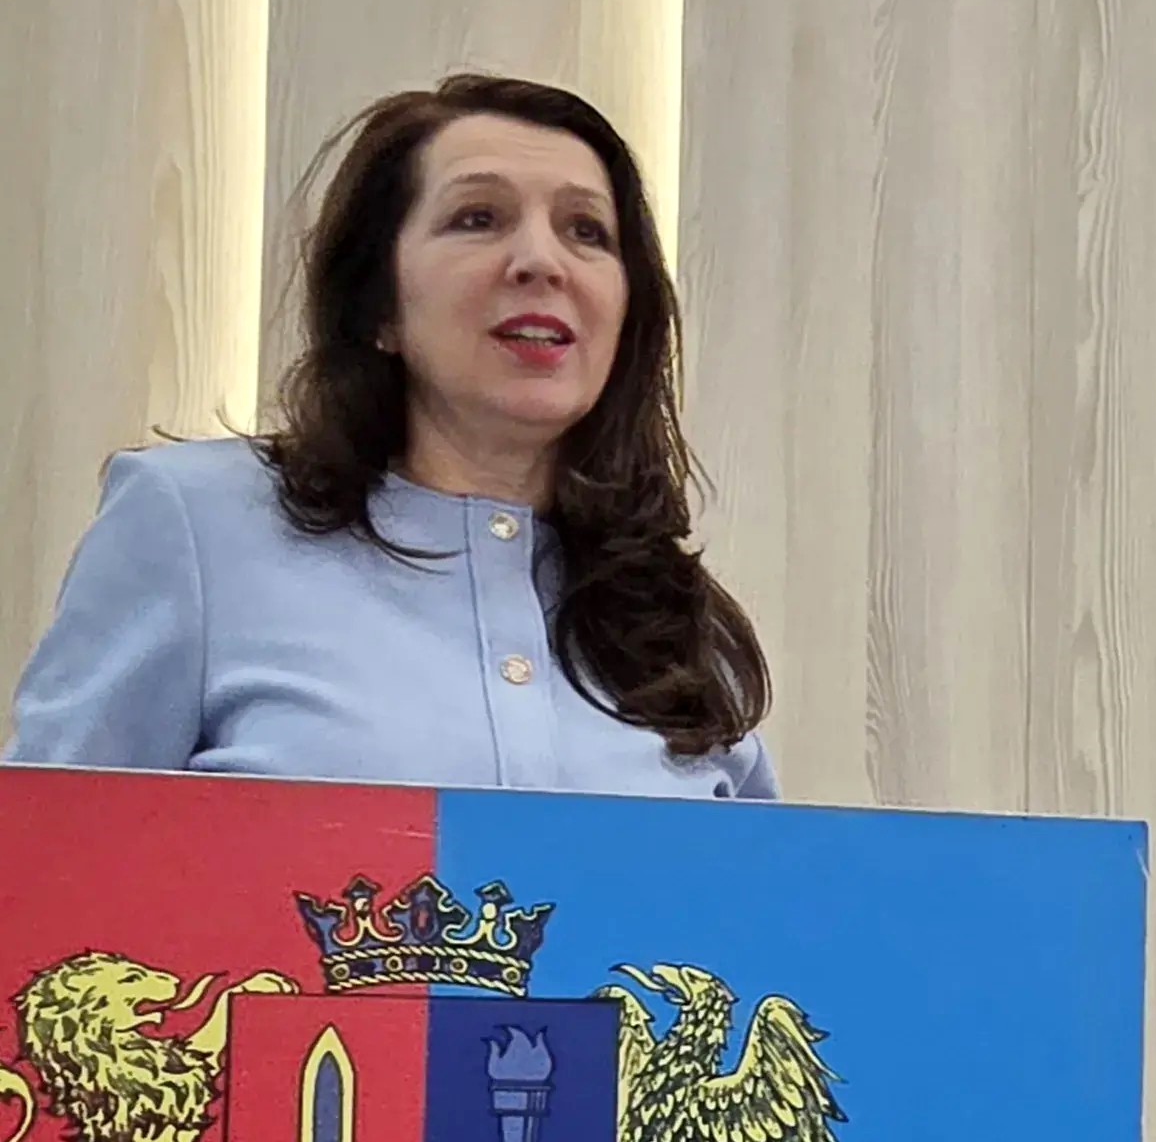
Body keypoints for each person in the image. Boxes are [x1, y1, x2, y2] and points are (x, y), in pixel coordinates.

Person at [3, 73, 778, 801]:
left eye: (587, 231)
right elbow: (44, 860)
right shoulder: (195, 524)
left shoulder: (673, 616)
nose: (542, 262)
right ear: (379, 307)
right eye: (478, 218)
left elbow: (764, 896)